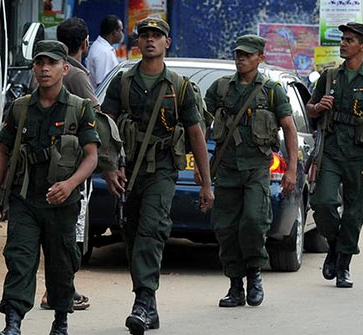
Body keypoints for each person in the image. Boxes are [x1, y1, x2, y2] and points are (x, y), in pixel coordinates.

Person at [100, 17, 214, 334]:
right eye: (145, 35)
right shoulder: (122, 82)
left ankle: (143, 302)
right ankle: (147, 305)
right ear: (137, 43)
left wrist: (206, 184)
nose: (150, 40)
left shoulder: (179, 87)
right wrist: (109, 167)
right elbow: (103, 126)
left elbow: (196, 135)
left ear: (167, 43)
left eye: (156, 35)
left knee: (151, 231)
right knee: (133, 235)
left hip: (162, 169)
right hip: (128, 168)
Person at [0, 40, 100, 335]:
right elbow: (3, 152)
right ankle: (12, 324)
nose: (44, 69)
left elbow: (91, 156)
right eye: (39, 63)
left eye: (51, 63)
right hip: (25, 199)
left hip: (62, 203)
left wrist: (70, 183)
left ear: (65, 68)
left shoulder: (79, 109)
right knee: (19, 259)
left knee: (61, 263)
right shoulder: (20, 108)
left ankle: (60, 321)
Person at [204, 34, 298, 308]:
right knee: (226, 228)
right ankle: (235, 285)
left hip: (257, 168)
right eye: (238, 54)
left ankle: (255, 274)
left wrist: (291, 169)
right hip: (226, 169)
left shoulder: (271, 90)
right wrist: (200, 167)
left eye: (247, 54)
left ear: (260, 57)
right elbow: (197, 125)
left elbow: (290, 129)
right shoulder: (220, 89)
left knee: (254, 223)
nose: (241, 58)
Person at [306, 22, 363, 288]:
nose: (343, 44)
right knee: (322, 202)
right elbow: (310, 109)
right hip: (331, 152)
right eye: (342, 39)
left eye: (349, 40)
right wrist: (318, 107)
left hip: (360, 155)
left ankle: (343, 264)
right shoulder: (330, 77)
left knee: (356, 212)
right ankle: (334, 244)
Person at [33, 16, 100, 312]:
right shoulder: (77, 78)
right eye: (41, 63)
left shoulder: (62, 75)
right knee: (68, 235)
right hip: (66, 174)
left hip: (64, 174)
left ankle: (59, 292)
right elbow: (96, 126)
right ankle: (59, 292)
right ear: (85, 43)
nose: (45, 69)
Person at [86, 15, 123, 87]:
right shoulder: (103, 52)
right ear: (114, 32)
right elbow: (102, 84)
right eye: (120, 30)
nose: (122, 34)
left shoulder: (101, 47)